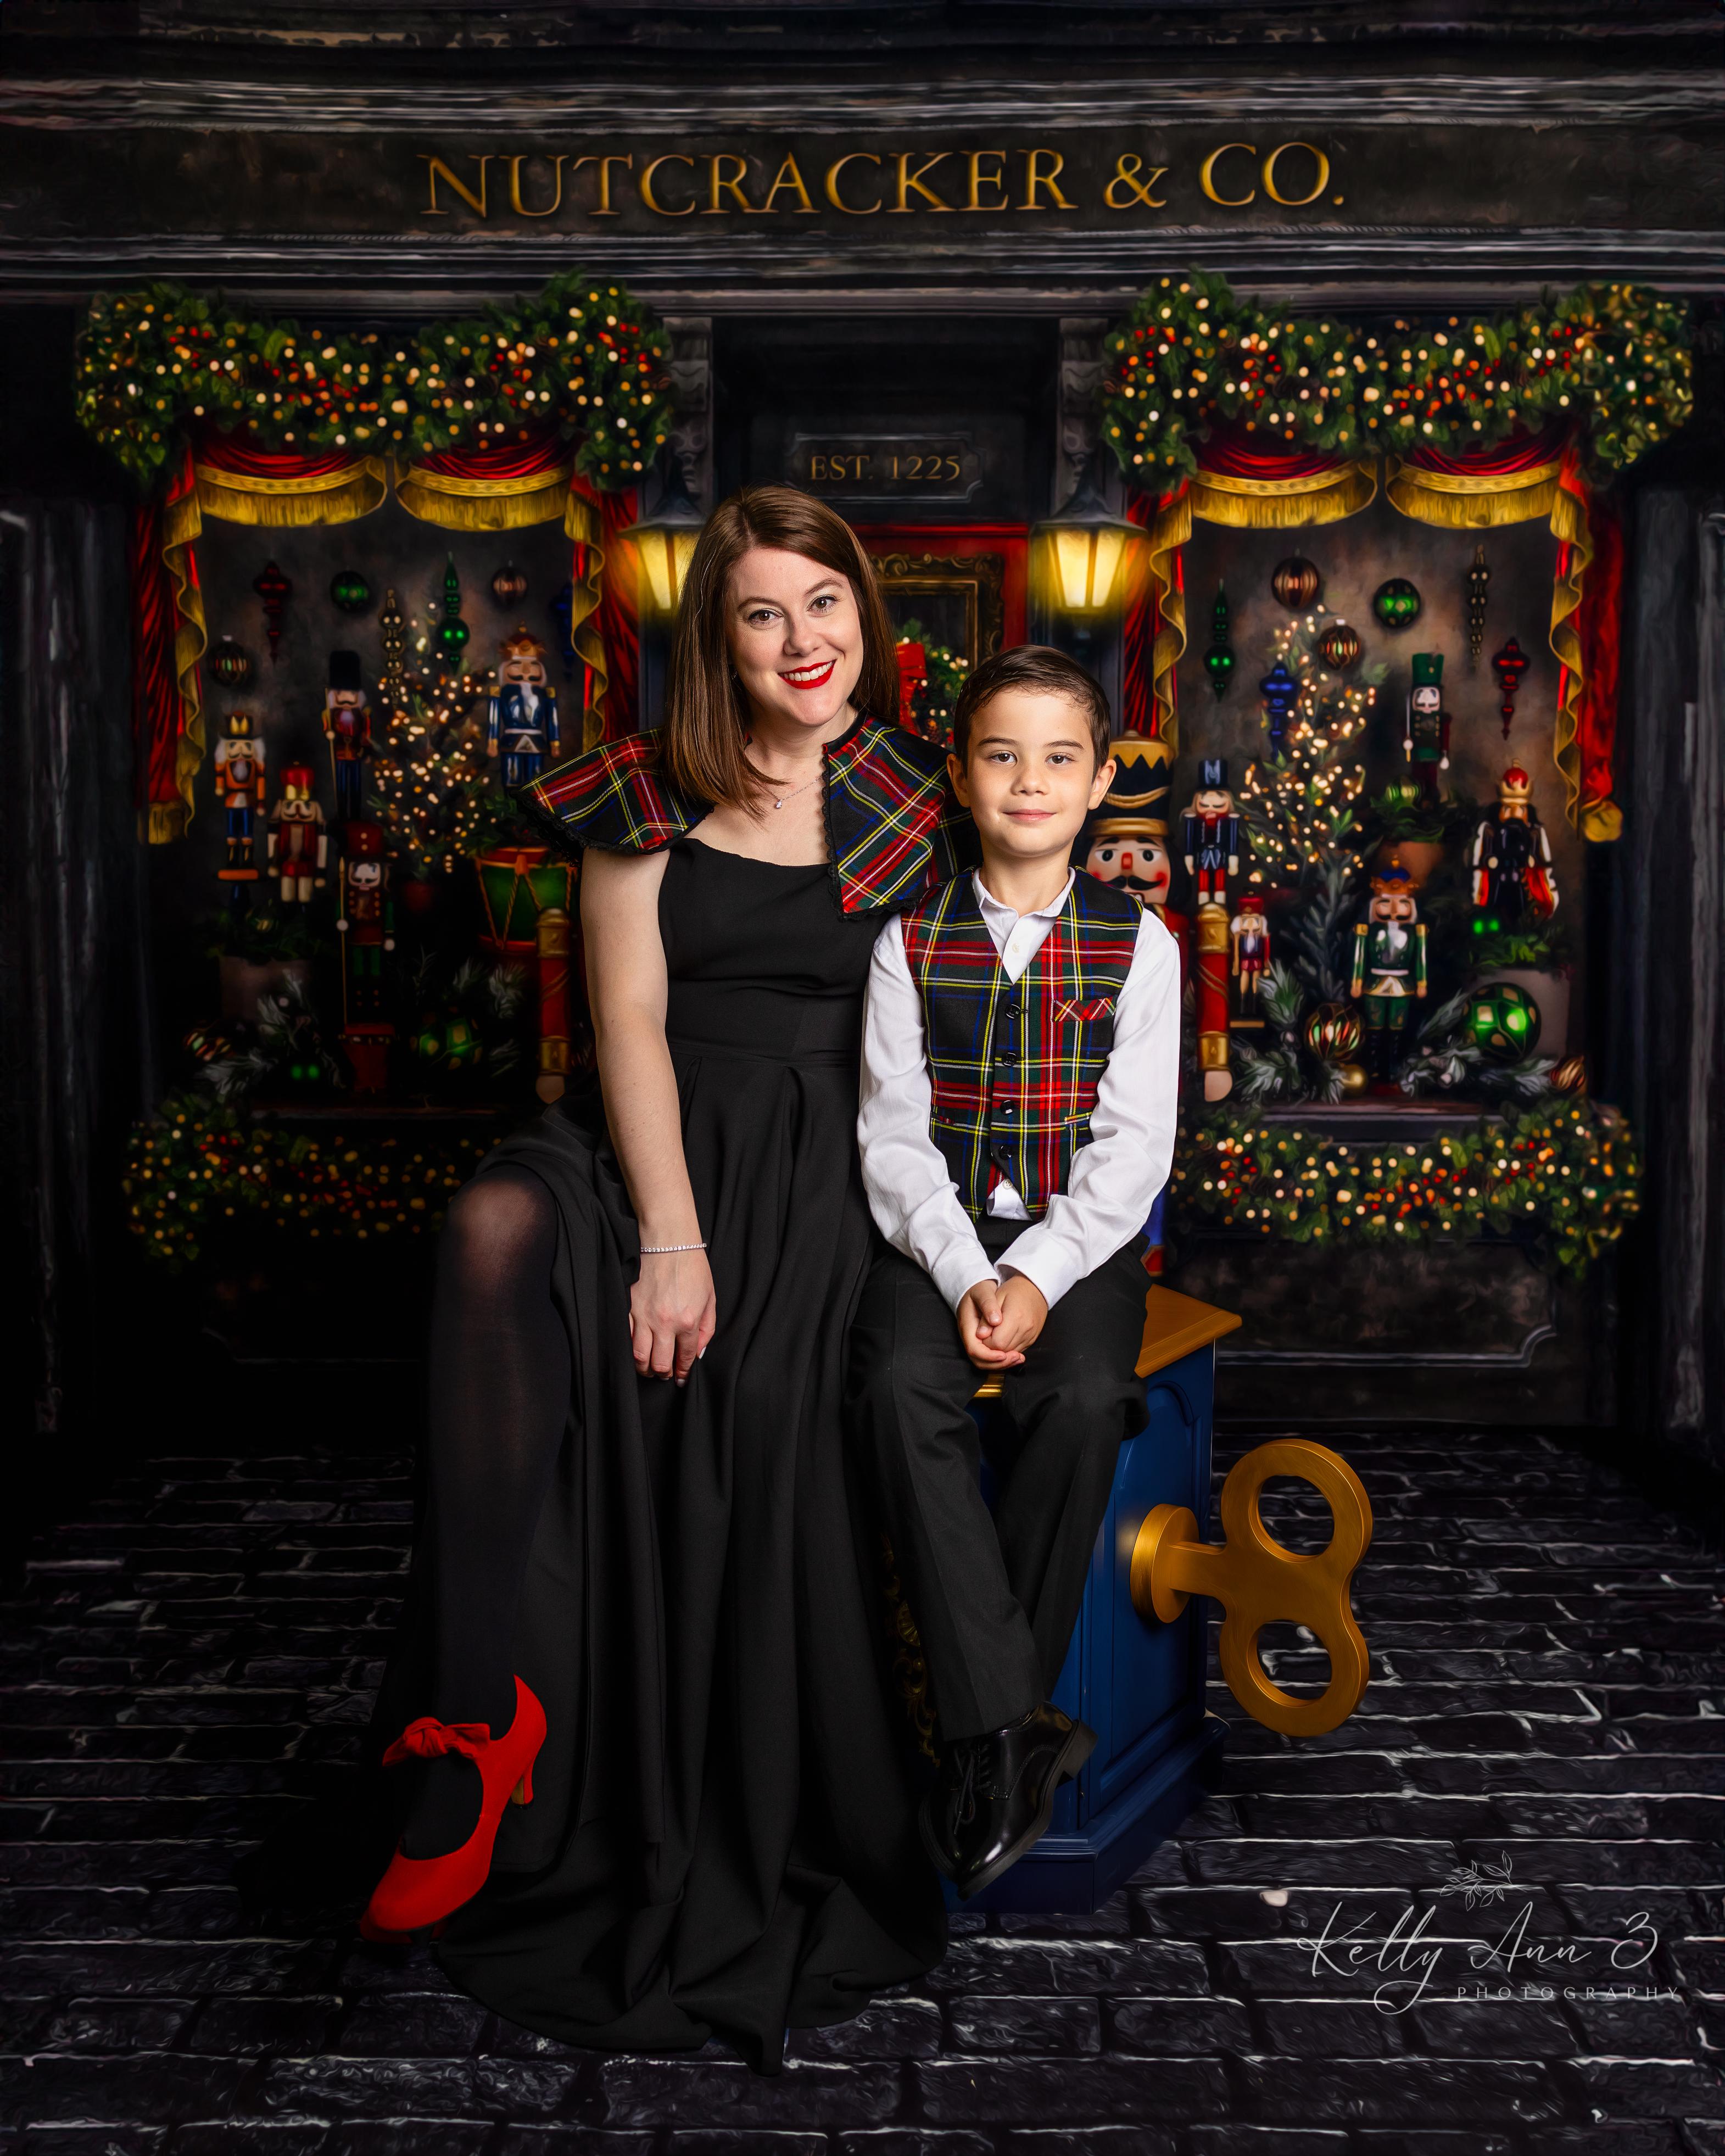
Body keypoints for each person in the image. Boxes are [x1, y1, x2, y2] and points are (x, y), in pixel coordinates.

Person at [360, 486, 972, 2070]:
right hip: (648, 1134)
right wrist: (669, 1237)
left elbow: (993, 996)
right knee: (492, 1231)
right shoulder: (640, 786)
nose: (802, 640)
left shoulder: (917, 788)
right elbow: (624, 1018)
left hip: (822, 1153)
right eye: (763, 612)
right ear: (718, 635)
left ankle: (706, 1786)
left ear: (861, 615)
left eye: (823, 603)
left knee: (746, 1397)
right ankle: (479, 1723)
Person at [846, 645, 1181, 1900]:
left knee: (1083, 1398)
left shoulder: (1140, 946)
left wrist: (1035, 1276)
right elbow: (889, 1137)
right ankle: (1009, 1729)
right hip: (930, 1233)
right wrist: (957, 1268)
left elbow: (1130, 1152)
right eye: (1001, 755)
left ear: (1096, 783)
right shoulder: (906, 939)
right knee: (892, 1387)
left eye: (1056, 759)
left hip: (1076, 1240)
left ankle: (978, 1731)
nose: (1028, 781)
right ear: (960, 774)